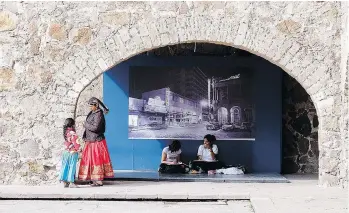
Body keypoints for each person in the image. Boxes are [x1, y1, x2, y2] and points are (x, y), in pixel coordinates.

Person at [78, 97, 114, 186]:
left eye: (91, 106)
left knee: (96, 159)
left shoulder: (99, 114)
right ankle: (93, 179)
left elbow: (96, 127)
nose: (90, 107)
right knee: (90, 160)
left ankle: (98, 179)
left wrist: (85, 124)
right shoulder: (92, 113)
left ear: (96, 105)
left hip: (96, 140)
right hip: (90, 139)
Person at [59, 118, 81, 188]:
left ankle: (64, 181)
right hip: (72, 152)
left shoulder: (65, 132)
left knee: (65, 166)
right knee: (72, 166)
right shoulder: (72, 133)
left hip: (65, 152)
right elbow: (76, 143)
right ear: (72, 124)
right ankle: (71, 182)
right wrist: (80, 149)